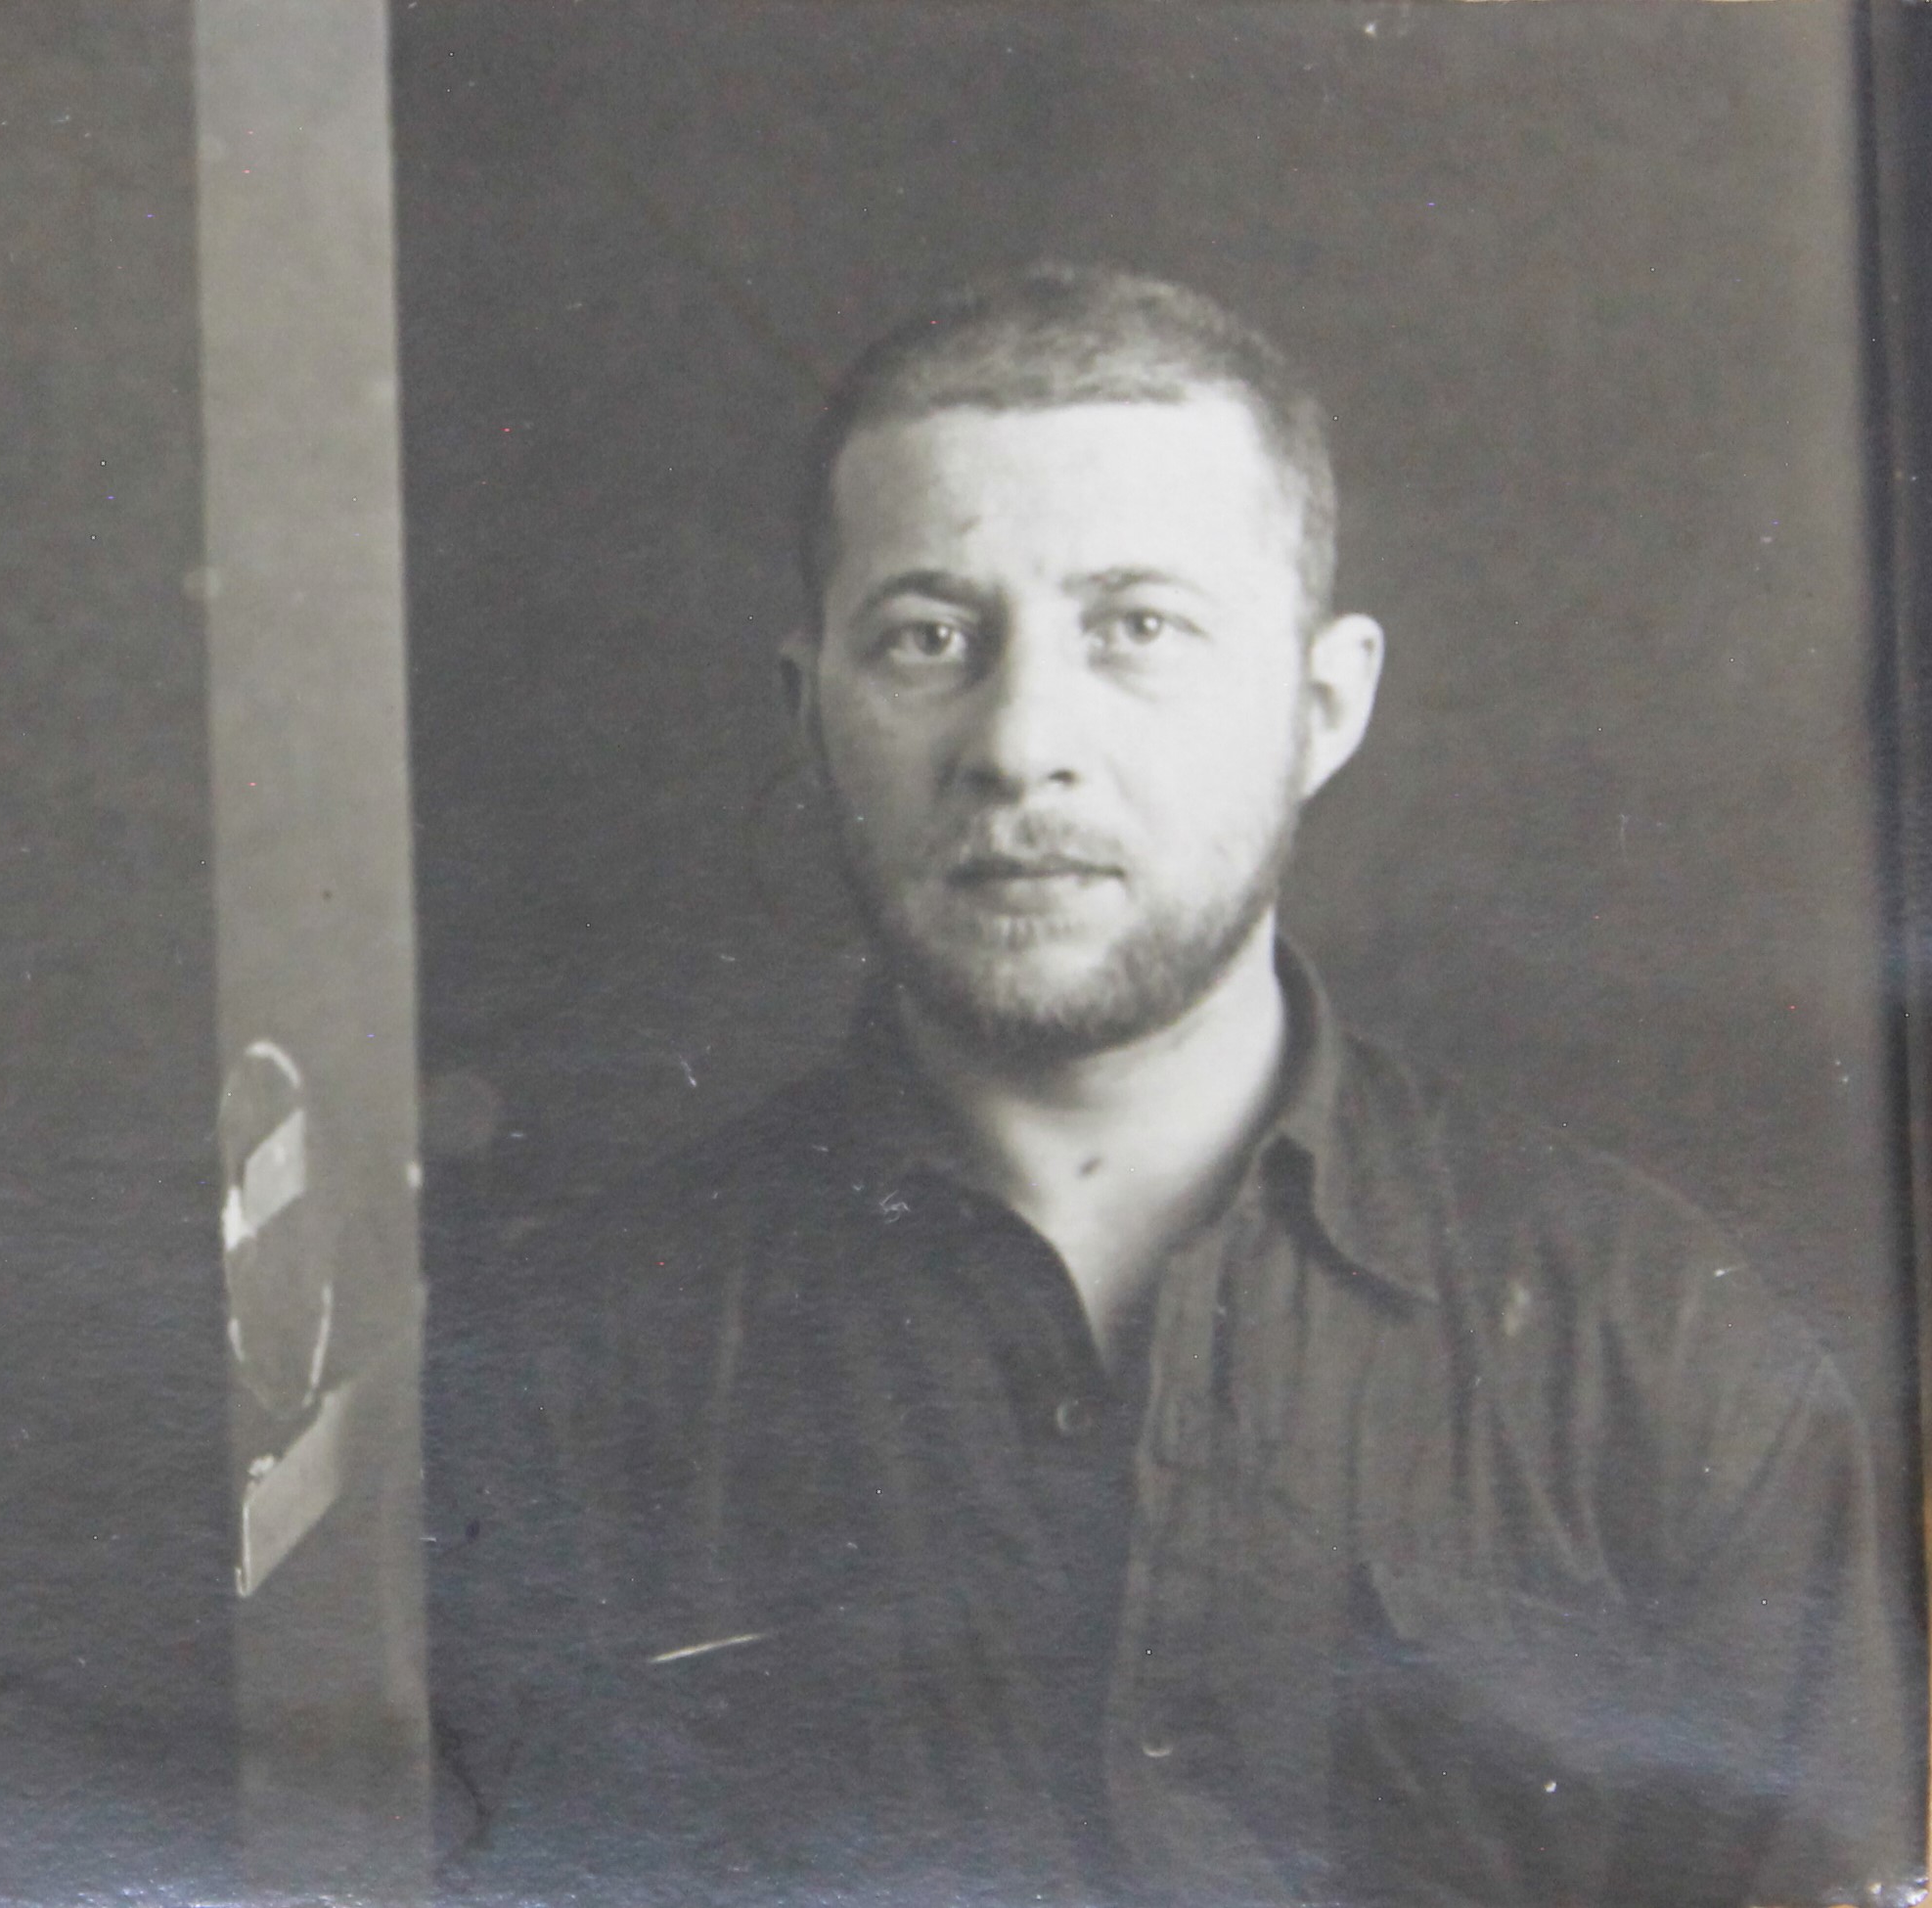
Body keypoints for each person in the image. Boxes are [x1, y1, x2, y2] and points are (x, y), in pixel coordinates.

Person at [429, 265, 1914, 1906]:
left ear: (1323, 704)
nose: (1020, 742)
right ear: (810, 710)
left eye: (1137, 627)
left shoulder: (1671, 1369)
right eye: (929, 638)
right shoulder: (557, 1384)